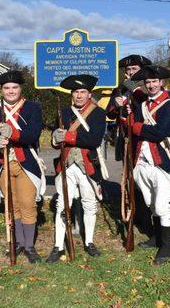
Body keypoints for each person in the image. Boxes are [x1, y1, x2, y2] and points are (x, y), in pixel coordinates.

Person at [0, 70, 45, 263]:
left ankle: (29, 246)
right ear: (1, 90)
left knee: (27, 203)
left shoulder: (32, 108)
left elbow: (33, 134)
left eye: (14, 87)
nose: (11, 91)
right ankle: (17, 242)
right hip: (3, 164)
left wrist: (13, 134)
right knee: (12, 205)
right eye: (7, 88)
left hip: (26, 162)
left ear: (20, 88)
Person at [46, 75, 107, 263]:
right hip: (66, 164)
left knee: (89, 203)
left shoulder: (98, 113)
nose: (79, 95)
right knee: (62, 205)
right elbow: (56, 142)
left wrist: (68, 137)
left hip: (87, 164)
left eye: (82, 92)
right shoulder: (64, 112)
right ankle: (58, 246)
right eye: (76, 92)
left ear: (89, 93)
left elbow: (93, 140)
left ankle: (89, 242)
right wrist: (56, 138)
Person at [129, 65, 170, 265]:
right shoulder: (141, 105)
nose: (150, 85)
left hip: (160, 160)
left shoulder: (168, 105)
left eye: (154, 81)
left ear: (161, 82)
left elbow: (162, 132)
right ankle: (157, 238)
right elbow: (131, 125)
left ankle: (167, 248)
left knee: (162, 204)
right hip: (141, 160)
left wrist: (138, 127)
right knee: (150, 202)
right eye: (147, 82)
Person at [106, 54, 152, 161]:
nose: (130, 72)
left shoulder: (148, 87)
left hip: (142, 134)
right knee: (128, 172)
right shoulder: (120, 89)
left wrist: (130, 85)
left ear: (142, 70)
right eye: (128, 69)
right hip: (124, 136)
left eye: (134, 69)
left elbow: (144, 102)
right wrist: (116, 106)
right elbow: (109, 114)